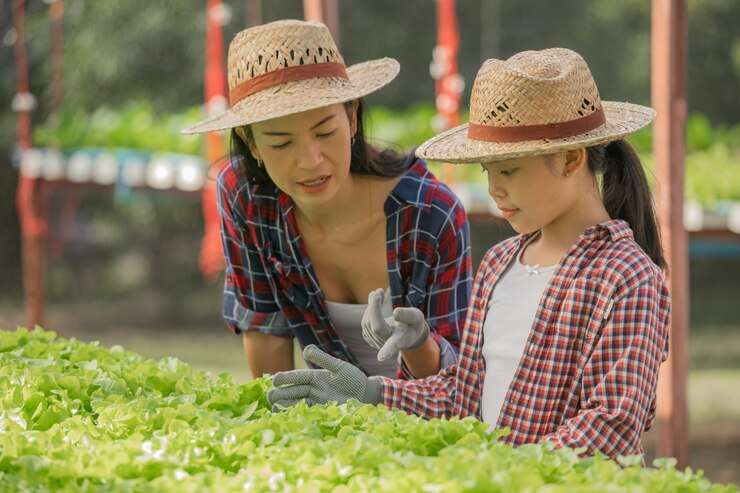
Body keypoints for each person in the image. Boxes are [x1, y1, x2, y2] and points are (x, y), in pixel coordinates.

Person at [267, 48, 671, 460]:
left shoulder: (626, 276)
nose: (495, 189)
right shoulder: (500, 262)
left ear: (570, 158)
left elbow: (611, 426)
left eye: (509, 170)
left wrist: (503, 472)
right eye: (487, 171)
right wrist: (371, 392)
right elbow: (462, 397)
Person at [183, 20, 472, 380]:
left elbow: (457, 382)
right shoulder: (246, 196)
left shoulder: (429, 212)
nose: (311, 160)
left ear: (351, 117)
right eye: (281, 143)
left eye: (324, 131)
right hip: (327, 422)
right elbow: (265, 328)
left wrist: (416, 344)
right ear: (251, 143)